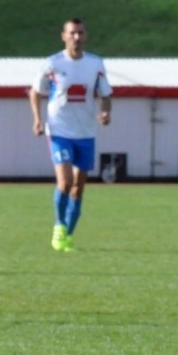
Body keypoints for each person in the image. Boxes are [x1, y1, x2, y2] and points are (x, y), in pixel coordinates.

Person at [30, 18, 112, 252]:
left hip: (85, 131)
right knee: (65, 182)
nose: (76, 37)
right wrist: (38, 119)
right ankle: (58, 227)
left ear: (85, 36)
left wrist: (106, 112)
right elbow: (35, 93)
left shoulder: (95, 64)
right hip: (59, 130)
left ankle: (68, 234)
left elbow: (105, 93)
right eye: (72, 33)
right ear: (64, 36)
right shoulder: (52, 63)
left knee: (79, 186)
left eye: (80, 33)